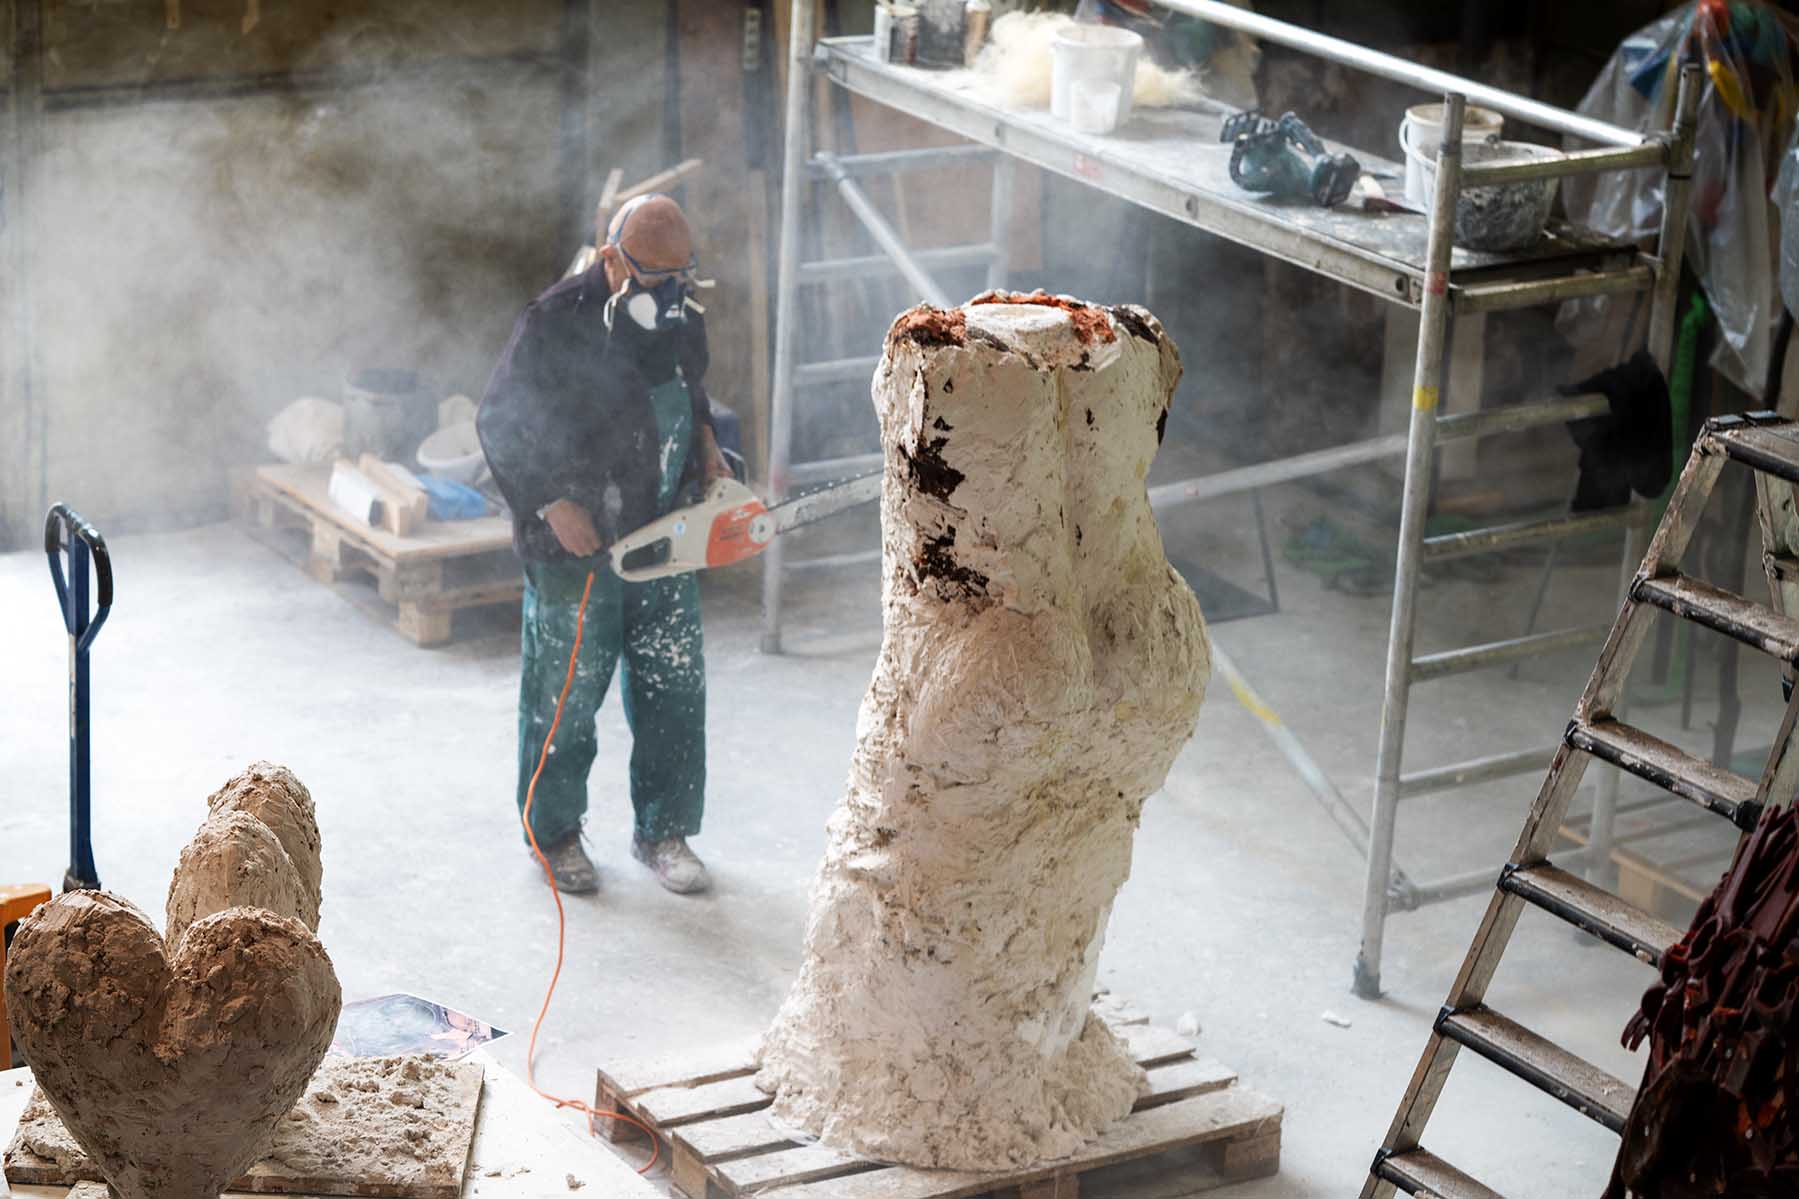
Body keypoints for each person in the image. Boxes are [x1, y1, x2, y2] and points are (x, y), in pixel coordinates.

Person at [477, 194, 732, 895]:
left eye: (679, 276)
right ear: (614, 258)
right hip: (576, 542)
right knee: (566, 692)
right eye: (654, 276)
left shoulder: (679, 313)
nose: (668, 290)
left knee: (673, 684)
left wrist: (709, 451)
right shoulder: (553, 321)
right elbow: (498, 419)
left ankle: (664, 829)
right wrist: (552, 502)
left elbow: (694, 393)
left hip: (663, 529)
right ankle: (554, 833)